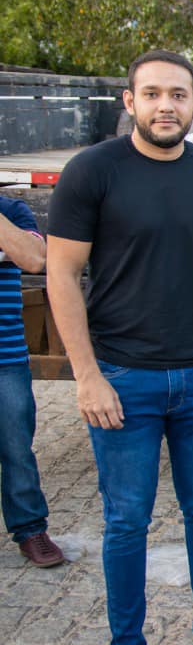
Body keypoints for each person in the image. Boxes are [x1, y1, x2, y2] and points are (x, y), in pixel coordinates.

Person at [45, 50, 193, 645]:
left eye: (178, 94)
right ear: (129, 101)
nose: (166, 105)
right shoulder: (92, 171)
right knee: (127, 521)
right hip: (121, 378)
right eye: (153, 93)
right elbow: (61, 275)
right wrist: (86, 375)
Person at [0, 195, 64, 568]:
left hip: (5, 356)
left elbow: (34, 259)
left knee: (16, 447)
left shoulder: (12, 211)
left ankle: (29, 529)